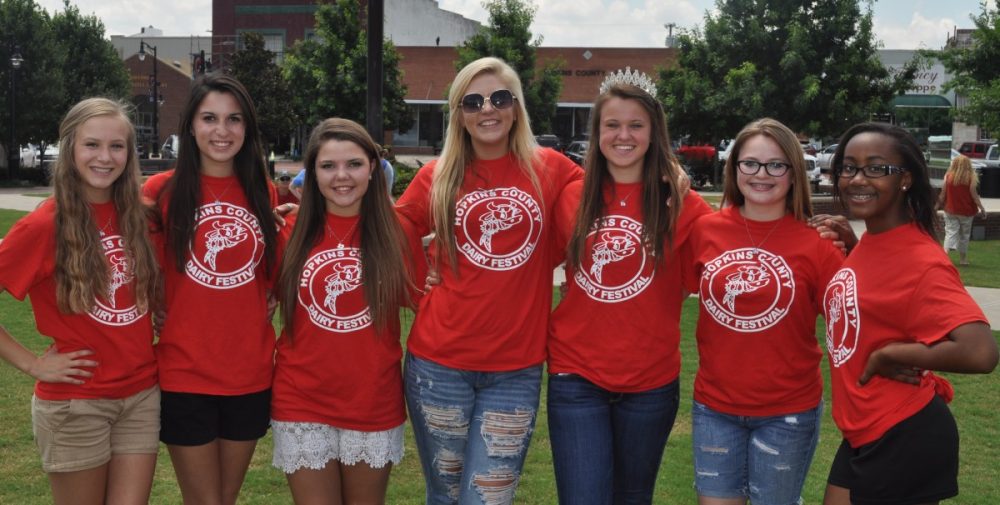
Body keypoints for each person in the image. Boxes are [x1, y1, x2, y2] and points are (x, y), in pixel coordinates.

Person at [394, 56, 582, 504]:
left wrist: (665, 178)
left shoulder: (551, 168)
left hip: (514, 369)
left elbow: (603, 198)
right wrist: (418, 284)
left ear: (516, 107)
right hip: (438, 364)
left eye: (500, 98)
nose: (487, 110)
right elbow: (393, 228)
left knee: (488, 497)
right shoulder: (437, 175)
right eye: (472, 101)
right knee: (446, 494)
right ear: (459, 113)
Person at [545, 69, 712, 504]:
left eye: (636, 125)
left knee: (632, 498)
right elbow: (520, 259)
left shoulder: (683, 204)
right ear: (596, 132)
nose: (624, 135)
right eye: (612, 125)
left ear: (654, 132)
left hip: (650, 382)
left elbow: (733, 251)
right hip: (577, 375)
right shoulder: (572, 197)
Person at [823, 123, 998, 505]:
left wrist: (893, 355)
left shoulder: (921, 260)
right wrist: (854, 252)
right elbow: (883, 299)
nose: (856, 179)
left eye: (875, 168)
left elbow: (980, 351)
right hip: (865, 428)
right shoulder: (877, 238)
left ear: (904, 179)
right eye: (848, 167)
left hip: (902, 432)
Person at [0, 98, 160, 504]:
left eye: (117, 146)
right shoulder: (43, 225)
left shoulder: (140, 216)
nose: (105, 157)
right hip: (77, 404)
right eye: (92, 145)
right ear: (70, 147)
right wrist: (32, 363)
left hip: (141, 395)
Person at [682, 118, 844, 505]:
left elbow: (851, 321)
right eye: (750, 163)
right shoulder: (705, 230)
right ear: (734, 167)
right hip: (714, 408)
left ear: (793, 172)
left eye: (776, 165)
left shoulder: (818, 243)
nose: (761, 174)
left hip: (788, 411)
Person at [143, 73, 279, 505]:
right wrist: (154, 302)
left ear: (247, 128)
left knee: (225, 497)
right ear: (191, 126)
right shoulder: (160, 191)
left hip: (250, 372)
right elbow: (138, 268)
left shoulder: (265, 192)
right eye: (209, 118)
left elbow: (272, 274)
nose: (222, 131)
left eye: (234, 119)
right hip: (186, 372)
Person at [270, 118, 413, 504]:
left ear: (373, 168)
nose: (342, 176)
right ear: (312, 174)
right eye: (328, 166)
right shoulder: (288, 230)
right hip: (301, 399)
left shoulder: (397, 233)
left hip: (372, 399)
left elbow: (432, 296)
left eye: (353, 164)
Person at [936, 154, 986, 266]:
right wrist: (982, 209)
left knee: (950, 233)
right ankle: (963, 260)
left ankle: (944, 257)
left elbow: (942, 194)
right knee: (965, 235)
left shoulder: (948, 176)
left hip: (950, 210)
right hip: (967, 212)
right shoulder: (971, 177)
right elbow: (974, 196)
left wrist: (935, 207)